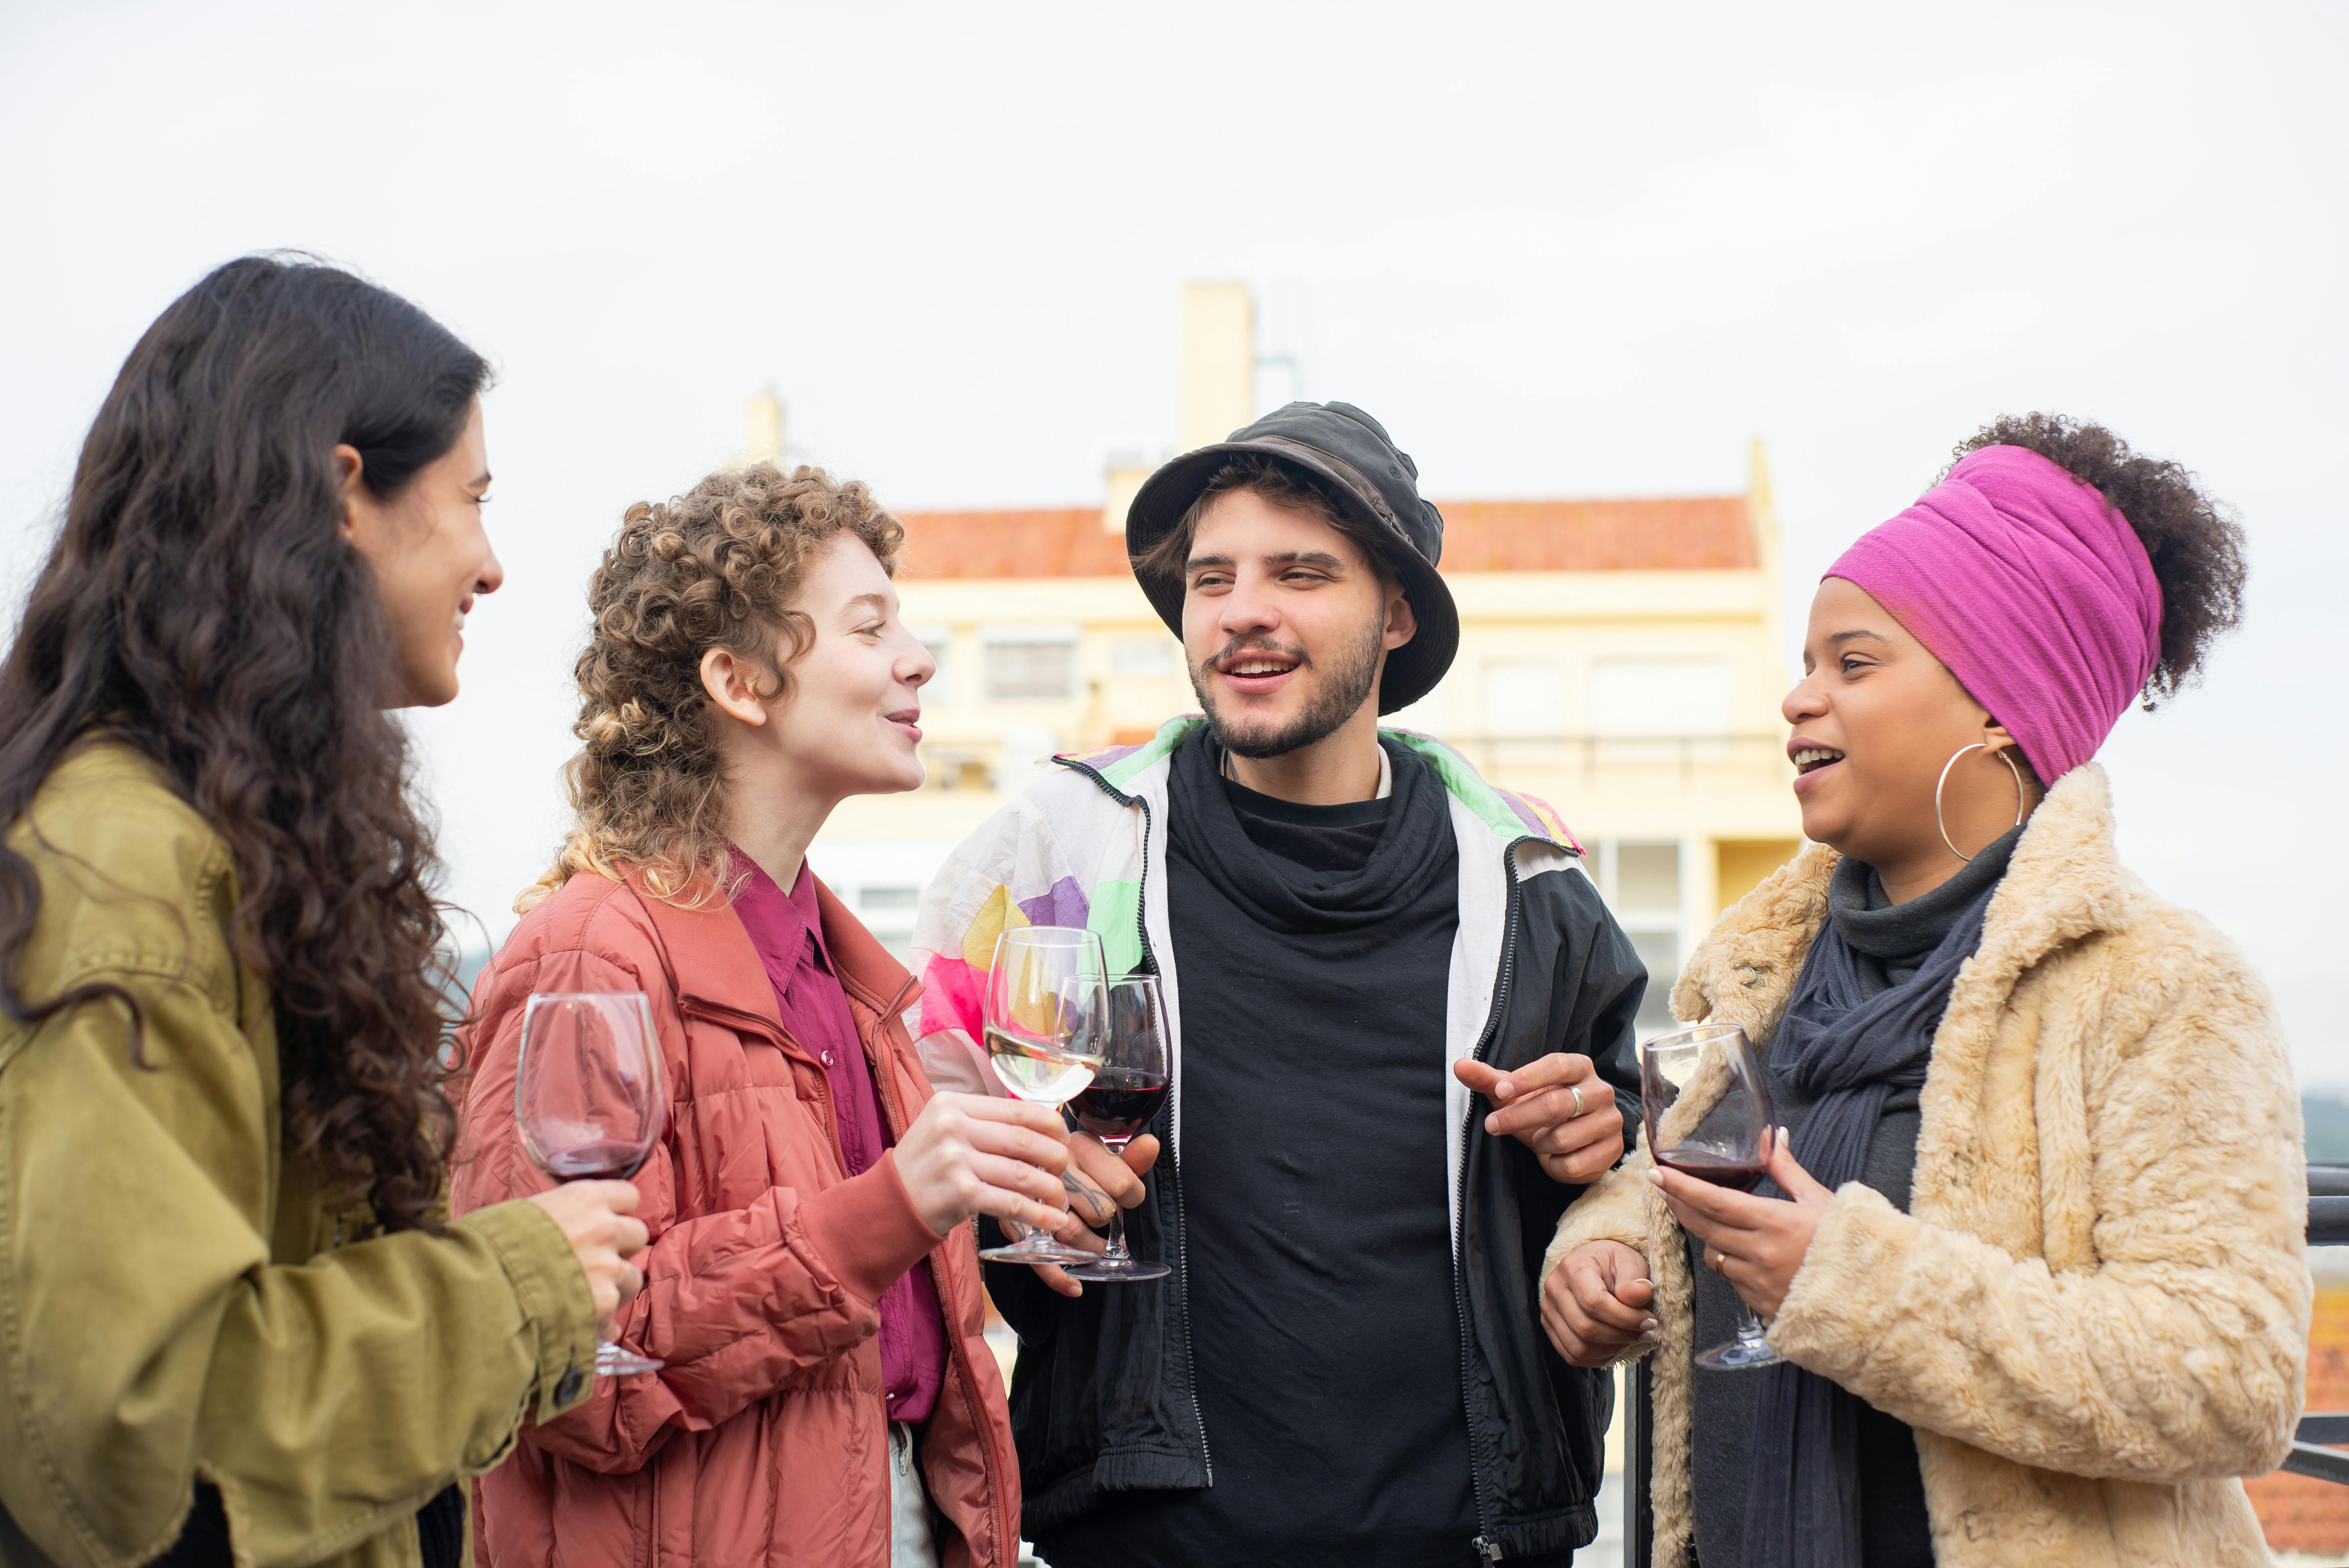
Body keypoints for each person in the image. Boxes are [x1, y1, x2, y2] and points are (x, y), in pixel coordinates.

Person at [1542, 415, 2307, 1568]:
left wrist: (1850, 1281)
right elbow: (1693, 1186)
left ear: (2003, 707)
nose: (1800, 698)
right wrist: (1604, 1249)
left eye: (1853, 662)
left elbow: (2231, 1374)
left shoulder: (2161, 986)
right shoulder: (1751, 969)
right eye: (1805, 664)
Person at [910, 401, 1650, 1567]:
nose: (1244, 609)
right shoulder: (1065, 842)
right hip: (1143, 1539)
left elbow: (1640, 1167)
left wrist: (1599, 1148)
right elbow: (909, 1116)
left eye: (1301, 572)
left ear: (1397, 612)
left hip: (1475, 1539)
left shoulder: (1531, 876)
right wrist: (1013, 1186)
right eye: (1214, 579)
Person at [0, 256, 647, 1568]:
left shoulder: (234, 833)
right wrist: (520, 1287)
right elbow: (139, 1431)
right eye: (472, 498)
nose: (494, 562)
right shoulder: (125, 863)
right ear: (347, 493)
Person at [451, 464, 1064, 1568]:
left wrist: (1001, 1221)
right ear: (738, 681)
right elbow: (563, 1376)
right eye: (870, 627)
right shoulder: (594, 947)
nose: (918, 658)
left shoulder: (846, 976)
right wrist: (890, 1208)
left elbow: (878, 1317)